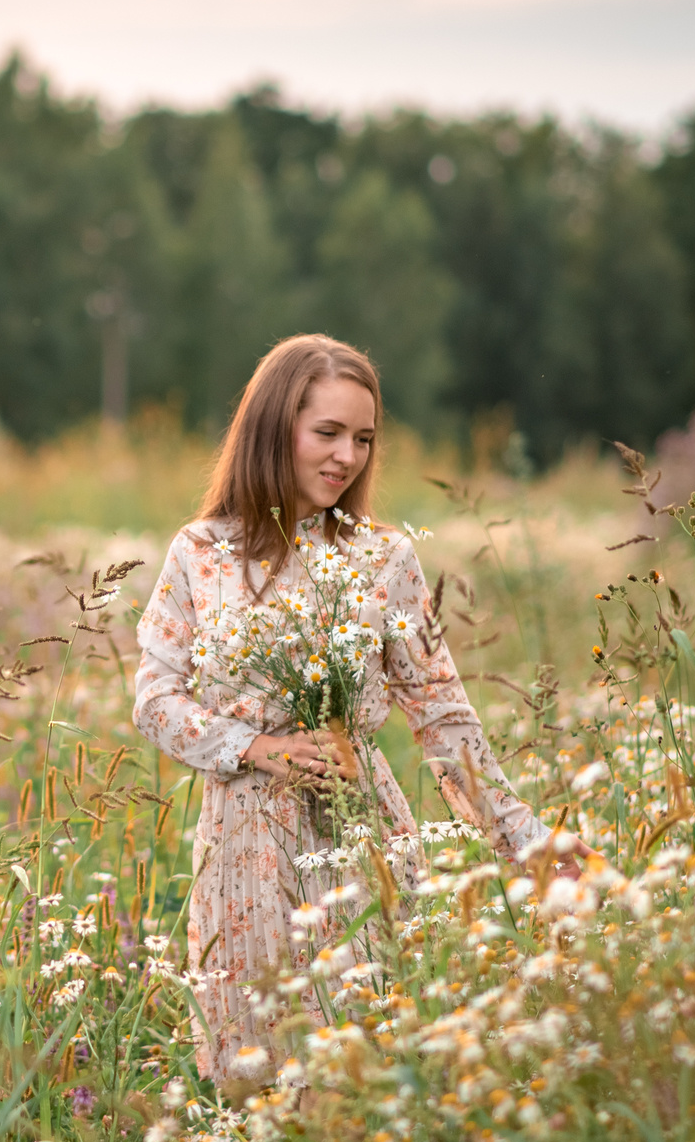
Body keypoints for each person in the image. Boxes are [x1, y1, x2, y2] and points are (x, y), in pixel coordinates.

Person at [133, 334, 547, 1091]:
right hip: (244, 843)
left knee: (356, 1072)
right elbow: (154, 700)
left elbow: (442, 715)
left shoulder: (383, 560)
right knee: (260, 1077)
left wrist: (526, 844)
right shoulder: (200, 554)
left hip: (359, 831)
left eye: (363, 438)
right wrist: (259, 746)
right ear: (273, 426)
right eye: (327, 432)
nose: (347, 456)